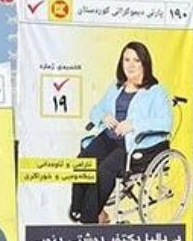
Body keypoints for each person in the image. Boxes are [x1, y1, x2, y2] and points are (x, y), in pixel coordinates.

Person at [70, 41, 173, 224]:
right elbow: (96, 110)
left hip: (133, 144)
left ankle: (90, 219)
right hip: (109, 137)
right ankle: (78, 210)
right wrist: (103, 116)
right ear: (121, 62)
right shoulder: (116, 87)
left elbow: (165, 122)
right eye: (127, 60)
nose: (130, 65)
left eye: (136, 60)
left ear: (145, 63)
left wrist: (134, 124)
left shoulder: (156, 91)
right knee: (82, 163)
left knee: (104, 171)